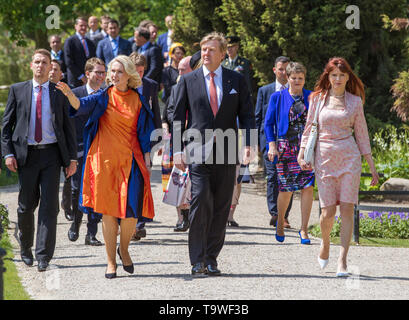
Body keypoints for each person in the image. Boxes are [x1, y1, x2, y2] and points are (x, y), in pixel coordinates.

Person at [56, 55, 155, 279]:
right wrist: (70, 94)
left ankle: (124, 249)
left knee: (131, 213)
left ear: (128, 75)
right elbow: (80, 106)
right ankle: (111, 261)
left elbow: (145, 131)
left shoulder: (138, 100)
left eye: (119, 71)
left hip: (130, 162)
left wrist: (147, 155)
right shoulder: (103, 96)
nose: (113, 75)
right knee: (109, 214)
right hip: (104, 163)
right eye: (112, 71)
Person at [170, 32, 255, 277]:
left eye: (210, 50)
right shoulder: (188, 80)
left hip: (228, 151)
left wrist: (249, 144)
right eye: (203, 49)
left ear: (222, 53)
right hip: (198, 152)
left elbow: (247, 114)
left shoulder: (236, 80)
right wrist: (177, 150)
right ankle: (197, 259)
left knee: (220, 206)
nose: (205, 53)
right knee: (200, 202)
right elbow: (178, 117)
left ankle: (211, 258)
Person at [299, 57, 379, 276]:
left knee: (347, 209)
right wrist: (301, 152)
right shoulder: (317, 99)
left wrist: (371, 166)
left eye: (341, 75)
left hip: (349, 158)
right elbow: (309, 128)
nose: (337, 79)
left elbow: (362, 134)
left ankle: (342, 260)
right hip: (324, 157)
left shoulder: (354, 101)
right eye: (333, 75)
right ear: (328, 76)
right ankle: (325, 244)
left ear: (347, 77)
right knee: (327, 212)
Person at [1, 49, 77, 272]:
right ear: (31, 65)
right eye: (37, 62)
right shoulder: (18, 90)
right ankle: (26, 247)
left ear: (50, 67)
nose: (41, 66)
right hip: (26, 155)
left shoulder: (59, 91)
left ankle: (43, 255)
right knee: (25, 206)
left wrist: (72, 159)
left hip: (52, 155)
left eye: (45, 62)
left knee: (49, 206)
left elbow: (68, 128)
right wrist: (8, 153)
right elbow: (7, 127)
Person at [265, 62, 314, 245]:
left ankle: (304, 229)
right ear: (288, 77)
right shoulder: (277, 97)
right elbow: (268, 124)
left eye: (301, 78)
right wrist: (271, 146)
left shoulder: (311, 97)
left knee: (308, 186)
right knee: (286, 189)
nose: (297, 81)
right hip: (285, 147)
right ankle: (280, 221)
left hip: (306, 147)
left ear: (304, 79)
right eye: (294, 78)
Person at [66, 57, 106, 246]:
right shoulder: (75, 94)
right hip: (79, 148)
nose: (101, 76)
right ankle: (76, 221)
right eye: (97, 72)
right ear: (87, 74)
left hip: (100, 149)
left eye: (103, 73)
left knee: (97, 190)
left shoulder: (108, 94)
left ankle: (92, 232)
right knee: (76, 189)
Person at [255, 56, 293, 228]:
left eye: (286, 69)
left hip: (289, 143)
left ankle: (284, 215)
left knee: (287, 177)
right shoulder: (265, 91)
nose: (283, 72)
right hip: (269, 141)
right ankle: (275, 213)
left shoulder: (295, 90)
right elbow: (258, 118)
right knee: (272, 177)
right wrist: (258, 142)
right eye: (280, 69)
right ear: (274, 70)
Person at [129, 52, 162, 240]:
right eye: (136, 71)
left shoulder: (150, 85)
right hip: (126, 139)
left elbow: (155, 111)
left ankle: (139, 223)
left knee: (143, 179)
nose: (139, 75)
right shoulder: (123, 85)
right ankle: (129, 220)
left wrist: (158, 136)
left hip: (145, 140)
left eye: (141, 71)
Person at [162, 56, 193, 232]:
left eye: (183, 70)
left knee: (193, 181)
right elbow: (168, 113)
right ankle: (182, 218)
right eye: (178, 70)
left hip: (197, 140)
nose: (179, 73)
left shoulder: (201, 86)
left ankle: (193, 216)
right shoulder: (175, 89)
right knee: (178, 180)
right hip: (178, 138)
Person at [64, 17, 96, 88]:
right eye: (81, 25)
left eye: (85, 26)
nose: (83, 27)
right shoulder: (70, 41)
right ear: (75, 26)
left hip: (89, 80)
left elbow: (93, 61)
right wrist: (82, 77)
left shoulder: (90, 43)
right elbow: (68, 62)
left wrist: (89, 76)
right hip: (75, 80)